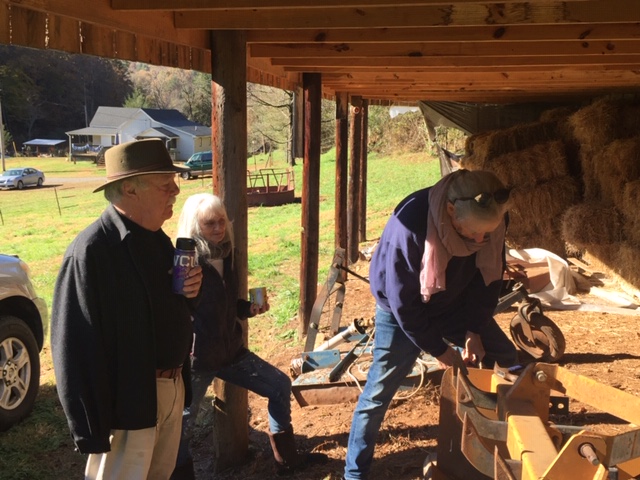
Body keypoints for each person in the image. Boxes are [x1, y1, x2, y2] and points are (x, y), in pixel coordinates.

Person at [343, 169, 518, 480]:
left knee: (506, 357)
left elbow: (487, 280)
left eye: (486, 235)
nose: (480, 241)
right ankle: (354, 473)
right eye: (472, 233)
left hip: (455, 301)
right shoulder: (411, 223)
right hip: (402, 309)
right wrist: (438, 349)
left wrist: (474, 330)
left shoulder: (491, 219)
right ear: (450, 212)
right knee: (378, 392)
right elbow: (403, 303)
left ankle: (500, 449)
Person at [51, 138, 203, 480]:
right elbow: (71, 346)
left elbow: (168, 309)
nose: (176, 191)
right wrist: (91, 427)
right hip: (128, 403)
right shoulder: (92, 251)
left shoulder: (159, 240)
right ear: (131, 189)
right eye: (166, 184)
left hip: (170, 391)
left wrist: (193, 291)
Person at [171, 193, 327, 479]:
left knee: (279, 384)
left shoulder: (225, 255)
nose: (218, 228)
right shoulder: (186, 262)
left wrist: (248, 308)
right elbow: (176, 311)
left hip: (230, 352)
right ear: (194, 226)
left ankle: (286, 460)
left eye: (221, 221)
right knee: (181, 427)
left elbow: (227, 305)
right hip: (198, 359)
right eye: (209, 223)